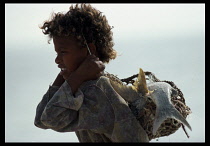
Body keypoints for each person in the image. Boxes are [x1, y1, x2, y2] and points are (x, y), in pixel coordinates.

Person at [34, 3, 149, 142]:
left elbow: (50, 119)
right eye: (57, 53)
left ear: (90, 50)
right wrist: (64, 77)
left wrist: (77, 76)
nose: (57, 60)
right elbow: (40, 120)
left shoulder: (96, 91)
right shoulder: (80, 87)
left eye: (63, 52)